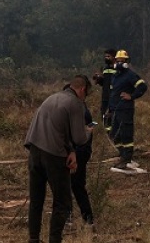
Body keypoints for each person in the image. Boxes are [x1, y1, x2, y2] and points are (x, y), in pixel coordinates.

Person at [24, 75, 91, 243]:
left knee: (36, 200)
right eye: (86, 94)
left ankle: (33, 239)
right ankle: (55, 240)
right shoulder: (76, 103)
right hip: (53, 156)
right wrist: (88, 132)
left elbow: (58, 129)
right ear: (82, 89)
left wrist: (71, 151)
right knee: (62, 202)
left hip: (34, 151)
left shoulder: (52, 98)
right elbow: (79, 138)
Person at [108, 49, 147, 170]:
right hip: (115, 110)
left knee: (126, 134)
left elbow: (142, 87)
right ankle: (122, 155)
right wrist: (110, 109)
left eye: (122, 60)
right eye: (118, 60)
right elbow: (113, 93)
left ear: (126, 62)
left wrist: (132, 96)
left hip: (126, 109)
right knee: (114, 134)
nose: (119, 63)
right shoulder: (115, 76)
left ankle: (127, 159)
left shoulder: (130, 75)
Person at [70, 105, 96, 226]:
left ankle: (84, 218)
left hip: (78, 153)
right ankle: (87, 218)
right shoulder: (78, 108)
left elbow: (82, 137)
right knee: (76, 186)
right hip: (78, 153)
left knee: (73, 185)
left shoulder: (80, 111)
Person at [91, 47, 117, 130]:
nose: (106, 58)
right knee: (104, 116)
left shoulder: (118, 69)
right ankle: (107, 132)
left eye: (108, 56)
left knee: (113, 116)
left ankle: (114, 132)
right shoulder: (105, 69)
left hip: (114, 97)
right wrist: (99, 79)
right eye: (105, 56)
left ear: (114, 57)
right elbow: (105, 83)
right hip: (105, 97)